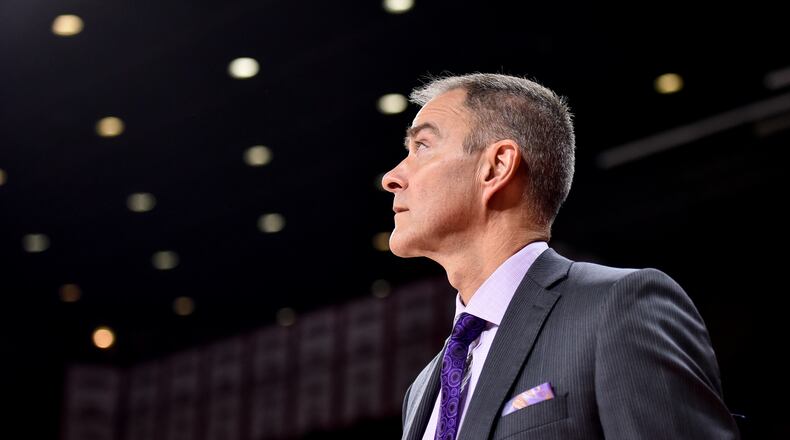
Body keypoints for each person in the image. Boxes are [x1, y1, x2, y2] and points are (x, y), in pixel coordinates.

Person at [381, 73, 740, 440]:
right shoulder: (424, 388)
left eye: (422, 146)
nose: (391, 177)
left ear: (497, 166)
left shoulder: (617, 307)